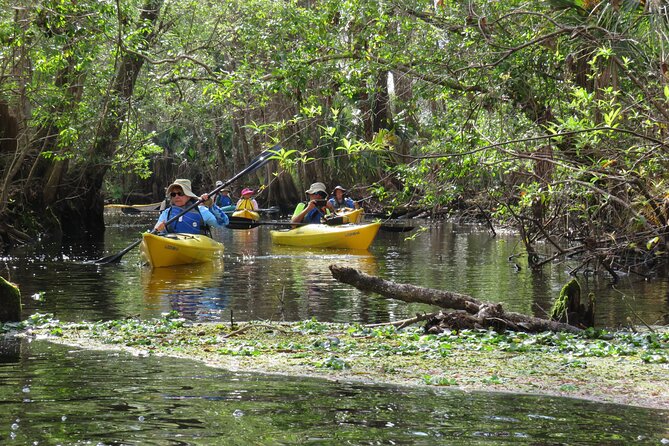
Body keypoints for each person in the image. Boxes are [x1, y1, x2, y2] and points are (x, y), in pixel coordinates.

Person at [154, 179, 229, 235]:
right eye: (173, 194)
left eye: (180, 193)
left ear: (189, 196)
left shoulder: (202, 211)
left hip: (197, 246)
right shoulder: (166, 213)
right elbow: (156, 230)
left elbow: (224, 222)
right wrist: (158, 230)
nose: (176, 196)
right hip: (173, 246)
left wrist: (211, 205)